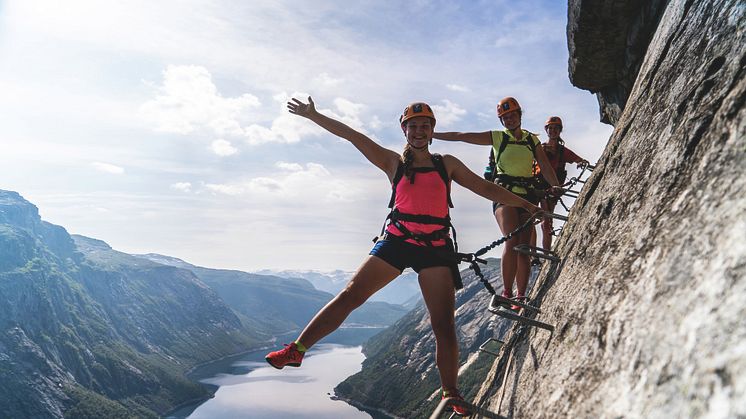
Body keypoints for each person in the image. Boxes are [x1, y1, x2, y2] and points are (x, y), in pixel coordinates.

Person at [264, 97, 541, 416]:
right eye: (414, 126)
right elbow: (353, 136)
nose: (420, 131)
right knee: (351, 294)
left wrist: (524, 204)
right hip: (397, 241)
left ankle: (451, 393)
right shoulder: (393, 162)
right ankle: (296, 350)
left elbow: (484, 187)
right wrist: (314, 116)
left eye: (425, 126)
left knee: (443, 325)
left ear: (432, 130)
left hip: (434, 246)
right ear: (404, 130)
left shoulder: (446, 163)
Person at [432, 97, 560, 311]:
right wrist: (433, 134)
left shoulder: (531, 140)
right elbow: (463, 136)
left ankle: (521, 295)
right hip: (504, 195)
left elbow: (545, 166)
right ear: (501, 120)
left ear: (520, 115)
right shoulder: (498, 137)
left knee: (525, 246)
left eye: (512, 115)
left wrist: (556, 185)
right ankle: (507, 292)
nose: (509, 120)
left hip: (528, 196)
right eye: (505, 117)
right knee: (512, 240)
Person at [532, 116, 589, 251]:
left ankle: (545, 252)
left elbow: (578, 159)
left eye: (555, 128)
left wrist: (581, 162)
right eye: (550, 128)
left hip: (552, 189)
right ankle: (533, 253)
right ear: (547, 130)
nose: (552, 131)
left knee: (546, 222)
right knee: (531, 219)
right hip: (536, 185)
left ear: (559, 131)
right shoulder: (539, 148)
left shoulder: (562, 151)